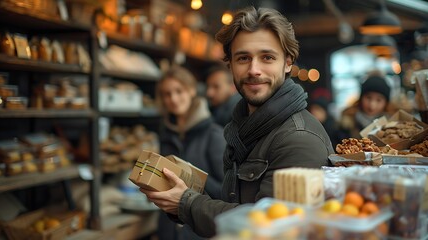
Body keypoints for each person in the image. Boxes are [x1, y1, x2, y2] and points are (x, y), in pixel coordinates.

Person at [140, 7, 333, 238]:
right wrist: (180, 198)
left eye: (267, 57)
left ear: (288, 63)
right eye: (243, 58)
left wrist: (186, 203)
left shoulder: (298, 138)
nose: (254, 70)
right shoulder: (241, 130)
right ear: (230, 64)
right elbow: (235, 204)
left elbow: (269, 227)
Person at [155, 65, 226, 240]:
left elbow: (226, 193)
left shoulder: (214, 134)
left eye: (179, 91)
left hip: (199, 232)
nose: (173, 98)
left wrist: (191, 176)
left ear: (192, 91)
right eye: (167, 93)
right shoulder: (166, 134)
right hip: (168, 229)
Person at [340, 72, 391, 139]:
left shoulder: (392, 126)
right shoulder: (346, 125)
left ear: (386, 103)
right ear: (361, 98)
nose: (372, 105)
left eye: (379, 100)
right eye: (368, 98)